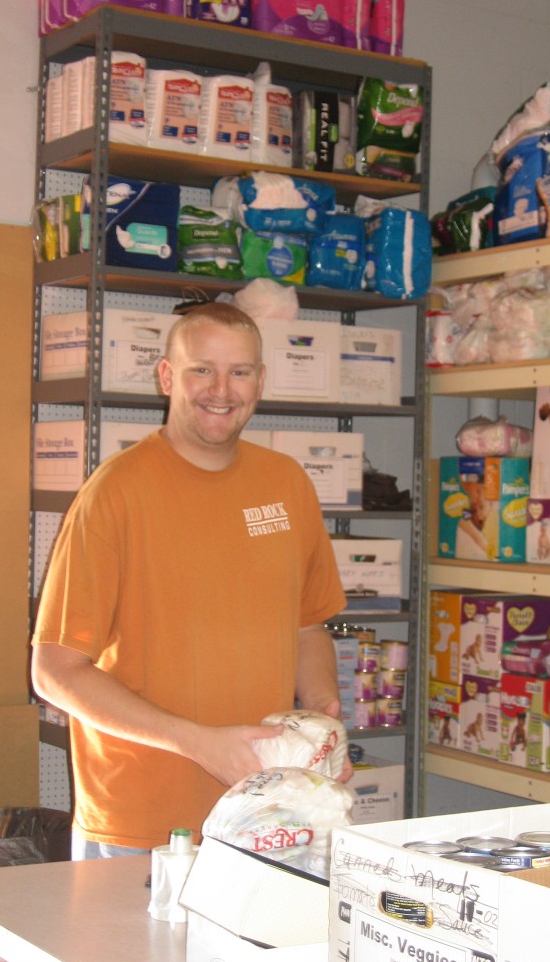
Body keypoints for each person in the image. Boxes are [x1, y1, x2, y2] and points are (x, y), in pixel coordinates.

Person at [31, 302, 349, 859]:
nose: (220, 389)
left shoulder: (286, 483)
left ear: (260, 381)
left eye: (240, 371)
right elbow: (55, 672)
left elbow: (306, 626)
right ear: (166, 376)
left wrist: (322, 722)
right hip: (144, 826)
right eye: (201, 369)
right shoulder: (114, 494)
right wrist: (199, 744)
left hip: (266, 814)